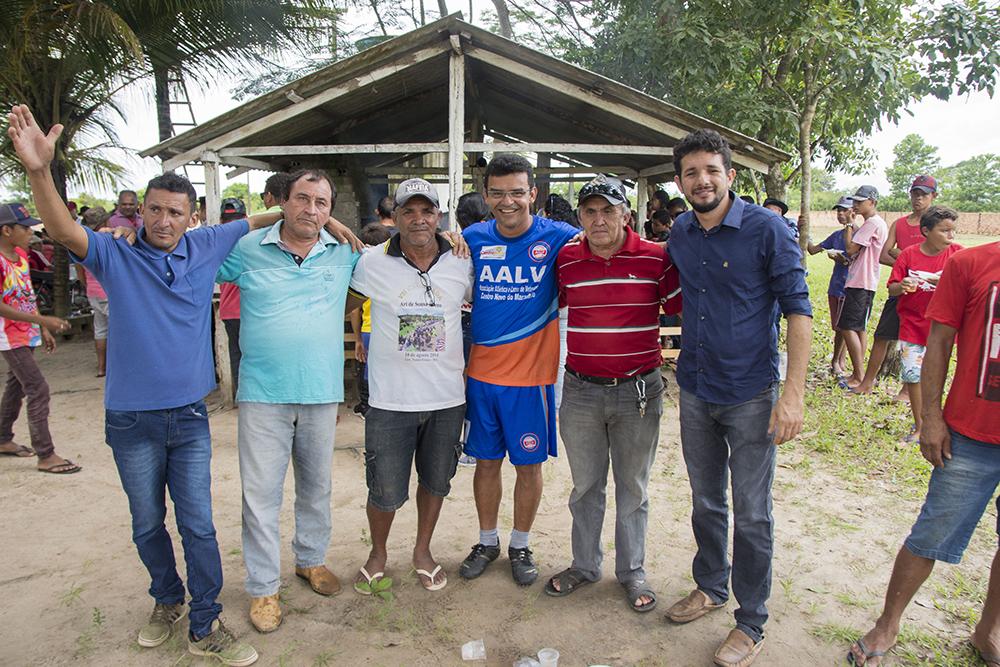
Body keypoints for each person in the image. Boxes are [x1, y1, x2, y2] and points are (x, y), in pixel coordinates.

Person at [7, 103, 358, 666]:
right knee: (148, 521)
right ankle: (173, 600)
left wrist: (332, 222)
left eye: (175, 212)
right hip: (136, 415)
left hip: (194, 416)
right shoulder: (117, 256)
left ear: (192, 218)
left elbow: (273, 221)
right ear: (139, 212)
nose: (164, 221)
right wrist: (39, 172)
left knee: (199, 523)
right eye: (155, 210)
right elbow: (62, 229)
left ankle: (207, 618)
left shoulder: (209, 246)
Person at [663, 129, 812, 667]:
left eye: (711, 170)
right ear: (679, 182)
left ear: (730, 174)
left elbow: (799, 310)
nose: (702, 180)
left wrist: (791, 395)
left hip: (751, 393)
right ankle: (710, 585)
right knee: (706, 499)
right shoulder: (681, 230)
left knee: (752, 512)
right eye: (690, 172)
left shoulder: (768, 229)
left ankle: (751, 620)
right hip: (696, 388)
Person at [215, 169, 358, 634]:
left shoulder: (344, 254)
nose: (310, 210)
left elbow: (398, 260)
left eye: (321, 203)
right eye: (301, 200)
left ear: (331, 209)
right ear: (282, 201)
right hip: (262, 394)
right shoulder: (247, 250)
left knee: (316, 487)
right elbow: (199, 248)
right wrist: (262, 218)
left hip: (320, 392)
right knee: (260, 496)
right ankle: (262, 587)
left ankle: (311, 561)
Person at [846, 238, 1000, 667]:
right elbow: (939, 342)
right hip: (972, 436)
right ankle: (888, 624)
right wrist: (929, 417)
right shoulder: (971, 263)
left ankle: (989, 630)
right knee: (931, 534)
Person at [544, 175, 681, 614]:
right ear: (580, 217)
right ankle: (584, 565)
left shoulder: (656, 258)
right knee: (585, 486)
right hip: (581, 391)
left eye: (608, 210)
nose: (598, 220)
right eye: (589, 211)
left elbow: (682, 307)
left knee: (633, 487)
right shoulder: (566, 259)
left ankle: (632, 571)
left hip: (639, 391)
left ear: (626, 213)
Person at [459, 154, 580, 586]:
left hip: (532, 381)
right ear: (486, 195)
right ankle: (487, 540)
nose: (507, 201)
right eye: (498, 193)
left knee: (529, 467)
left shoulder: (562, 237)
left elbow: (606, 246)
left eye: (516, 192)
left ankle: (520, 544)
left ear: (532, 194)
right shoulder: (470, 238)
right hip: (482, 378)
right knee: (485, 463)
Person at [348, 178, 472, 595]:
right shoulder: (370, 262)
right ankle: (378, 553)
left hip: (447, 398)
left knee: (436, 480)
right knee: (383, 487)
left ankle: (423, 550)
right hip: (389, 400)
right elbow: (341, 305)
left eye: (427, 211)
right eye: (408, 211)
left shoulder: (462, 261)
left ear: (439, 216)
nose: (418, 219)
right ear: (395, 217)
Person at [0, 201, 78, 473]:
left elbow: (25, 295)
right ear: (7, 230)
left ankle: (3, 438)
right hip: (7, 336)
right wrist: (41, 320)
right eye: (25, 228)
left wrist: (40, 328)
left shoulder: (20, 256)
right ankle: (46, 454)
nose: (31, 232)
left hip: (24, 332)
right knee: (37, 388)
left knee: (16, 385)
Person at [849, 175, 938, 395]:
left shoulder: (937, 225)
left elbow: (938, 256)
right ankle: (867, 382)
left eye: (923, 195)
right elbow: (883, 255)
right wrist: (908, 262)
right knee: (883, 335)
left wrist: (903, 257)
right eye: (915, 194)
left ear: (933, 197)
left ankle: (908, 391)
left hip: (926, 293)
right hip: (899, 288)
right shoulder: (900, 224)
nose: (918, 199)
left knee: (916, 342)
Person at [886, 206, 963, 444]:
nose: (951, 236)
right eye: (944, 230)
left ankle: (939, 421)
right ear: (926, 231)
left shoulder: (959, 255)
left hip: (943, 329)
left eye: (953, 230)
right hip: (912, 324)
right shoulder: (908, 255)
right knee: (912, 375)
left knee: (938, 376)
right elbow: (892, 287)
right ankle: (920, 426)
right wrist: (904, 284)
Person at [837, 185, 888, 390]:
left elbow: (850, 249)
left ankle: (859, 375)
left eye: (860, 202)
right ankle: (858, 373)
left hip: (861, 282)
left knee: (848, 327)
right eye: (855, 202)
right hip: (864, 281)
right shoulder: (874, 224)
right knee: (858, 328)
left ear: (872, 202)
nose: (855, 206)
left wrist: (849, 224)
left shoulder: (872, 223)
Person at [806, 196, 856, 376]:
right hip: (835, 286)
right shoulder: (836, 236)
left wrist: (842, 259)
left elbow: (854, 260)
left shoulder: (859, 235)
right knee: (838, 326)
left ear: (854, 211)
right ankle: (839, 362)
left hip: (851, 287)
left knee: (845, 327)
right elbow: (812, 250)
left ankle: (838, 361)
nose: (841, 214)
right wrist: (803, 232)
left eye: (844, 210)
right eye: (838, 211)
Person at [350, 223, 393, 419]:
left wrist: (358, 339)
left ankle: (368, 407)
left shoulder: (362, 269)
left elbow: (354, 310)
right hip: (389, 331)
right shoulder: (396, 267)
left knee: (368, 373)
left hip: (369, 330)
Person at [217, 198, 249, 396]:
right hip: (248, 309)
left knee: (237, 355)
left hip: (229, 310)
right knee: (251, 356)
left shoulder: (217, 242)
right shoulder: (250, 241)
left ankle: (241, 396)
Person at [79, 207, 110, 376]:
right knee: (118, 331)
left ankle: (101, 367)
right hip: (108, 292)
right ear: (105, 221)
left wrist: (88, 286)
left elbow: (80, 271)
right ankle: (115, 367)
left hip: (92, 292)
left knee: (100, 330)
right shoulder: (105, 240)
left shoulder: (83, 242)